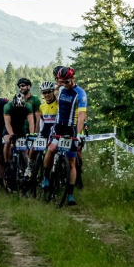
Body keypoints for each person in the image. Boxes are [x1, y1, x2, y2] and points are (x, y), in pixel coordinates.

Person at [41, 66, 87, 207]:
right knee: (51, 149)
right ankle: (46, 177)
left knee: (71, 162)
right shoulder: (59, 89)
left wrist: (79, 134)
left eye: (66, 82)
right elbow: (47, 94)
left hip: (71, 129)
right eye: (61, 82)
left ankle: (70, 195)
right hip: (58, 127)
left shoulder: (80, 94)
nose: (64, 85)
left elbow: (81, 115)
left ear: (73, 79)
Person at [28, 81, 58, 178]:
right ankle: (29, 167)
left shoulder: (59, 105)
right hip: (45, 131)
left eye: (49, 92)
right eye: (44, 93)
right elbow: (42, 121)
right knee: (33, 147)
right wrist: (39, 133)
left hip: (56, 132)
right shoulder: (42, 106)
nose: (46, 95)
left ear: (53, 91)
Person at [3, 92, 36, 168]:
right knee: (8, 142)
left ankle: (26, 169)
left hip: (20, 128)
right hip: (9, 127)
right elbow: (7, 123)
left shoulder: (28, 106)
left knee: (25, 150)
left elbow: (31, 122)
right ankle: (7, 163)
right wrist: (11, 135)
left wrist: (31, 134)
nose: (18, 110)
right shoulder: (7, 106)